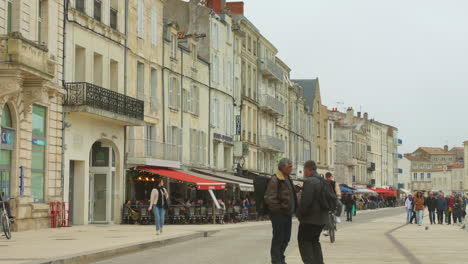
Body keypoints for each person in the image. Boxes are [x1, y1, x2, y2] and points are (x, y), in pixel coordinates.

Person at [297, 160, 332, 264]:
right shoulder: (323, 181)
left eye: (304, 170)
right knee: (314, 242)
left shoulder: (309, 181)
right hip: (322, 219)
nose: (304, 172)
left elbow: (306, 202)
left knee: (304, 242)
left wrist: (299, 214)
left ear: (307, 169)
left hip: (310, 219)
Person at [264, 158, 297, 264]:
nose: (291, 169)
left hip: (287, 214)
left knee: (286, 238)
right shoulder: (275, 179)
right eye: (289, 167)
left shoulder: (288, 178)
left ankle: (280, 257)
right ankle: (276, 260)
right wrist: (278, 211)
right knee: (278, 238)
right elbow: (270, 197)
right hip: (279, 214)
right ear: (282, 167)